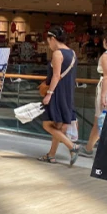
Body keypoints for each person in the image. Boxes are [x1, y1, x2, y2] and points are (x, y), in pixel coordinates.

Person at [38, 26, 80, 166]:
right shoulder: (72, 53)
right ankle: (51, 155)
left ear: (53, 39)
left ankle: (72, 146)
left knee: (47, 124)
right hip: (68, 93)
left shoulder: (57, 53)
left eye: (48, 41)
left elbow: (56, 76)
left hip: (57, 92)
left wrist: (49, 94)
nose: (48, 44)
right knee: (57, 125)